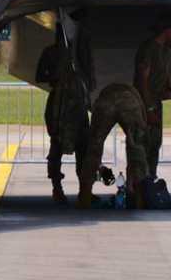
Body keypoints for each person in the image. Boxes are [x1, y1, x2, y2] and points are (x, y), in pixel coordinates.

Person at [33, 18, 94, 205]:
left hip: (77, 103)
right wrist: (55, 77)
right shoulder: (51, 53)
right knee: (57, 144)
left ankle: (84, 190)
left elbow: (90, 77)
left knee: (83, 146)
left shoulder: (80, 52)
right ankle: (57, 188)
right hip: (59, 104)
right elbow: (39, 75)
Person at [79, 83, 153, 207]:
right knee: (136, 147)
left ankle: (84, 197)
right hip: (130, 99)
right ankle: (139, 198)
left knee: (94, 146)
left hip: (106, 98)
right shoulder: (134, 94)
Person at [134, 11, 171, 184]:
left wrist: (166, 86)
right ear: (167, 30)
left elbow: (162, 72)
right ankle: (140, 181)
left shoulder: (164, 50)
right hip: (146, 102)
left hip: (155, 102)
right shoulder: (149, 49)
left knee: (154, 143)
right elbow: (142, 80)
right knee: (143, 144)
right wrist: (148, 108)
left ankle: (150, 178)